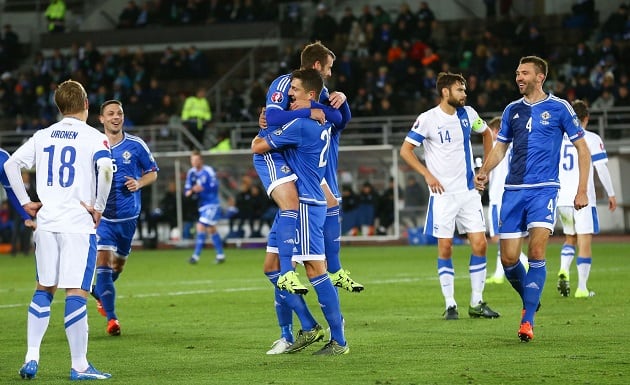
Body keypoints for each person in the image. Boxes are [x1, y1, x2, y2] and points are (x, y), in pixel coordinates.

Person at [474, 56, 590, 342]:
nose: (518, 77)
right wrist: (484, 171)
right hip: (513, 192)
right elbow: (501, 147)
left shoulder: (560, 108)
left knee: (537, 251)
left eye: (524, 73)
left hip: (544, 190)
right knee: (509, 258)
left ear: (540, 77)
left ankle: (527, 320)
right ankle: (531, 297)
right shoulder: (512, 110)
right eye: (516, 73)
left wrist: (582, 189)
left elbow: (583, 150)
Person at [255, 41, 361, 355]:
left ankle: (338, 340)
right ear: (317, 67)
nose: (289, 95)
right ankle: (307, 326)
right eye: (328, 67)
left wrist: (268, 130)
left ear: (307, 93)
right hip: (309, 194)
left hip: (306, 200)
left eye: (295, 93)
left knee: (315, 269)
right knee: (270, 266)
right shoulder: (309, 110)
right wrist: (321, 109)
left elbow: (261, 141)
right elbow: (337, 119)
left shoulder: (304, 123)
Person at [4, 79, 113, 380]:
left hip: (47, 223)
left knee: (44, 289)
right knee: (76, 292)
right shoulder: (93, 137)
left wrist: (26, 202)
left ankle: (31, 357)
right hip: (78, 225)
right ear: (87, 105)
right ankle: (79, 365)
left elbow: (11, 165)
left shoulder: (43, 135)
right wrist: (100, 207)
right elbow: (105, 170)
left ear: (59, 106)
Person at [400, 72, 499, 321]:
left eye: (464, 90)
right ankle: (450, 303)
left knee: (480, 244)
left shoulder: (469, 114)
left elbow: (487, 134)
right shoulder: (428, 119)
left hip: (468, 192)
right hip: (443, 195)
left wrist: (483, 170)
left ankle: (476, 301)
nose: (464, 94)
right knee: (445, 247)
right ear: (445, 92)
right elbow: (406, 150)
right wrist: (426, 175)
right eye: (460, 90)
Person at [91, 100, 159, 336]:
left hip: (128, 219)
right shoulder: (92, 146)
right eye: (110, 114)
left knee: (116, 269)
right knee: (103, 265)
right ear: (101, 119)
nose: (115, 117)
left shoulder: (136, 145)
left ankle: (99, 292)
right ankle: (112, 320)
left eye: (119, 113)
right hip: (104, 218)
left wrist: (139, 182)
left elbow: (153, 172)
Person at [556, 99, 616, 298]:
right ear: (586, 118)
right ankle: (582, 288)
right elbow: (601, 167)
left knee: (569, 238)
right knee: (584, 242)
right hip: (583, 197)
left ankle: (564, 268)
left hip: (561, 198)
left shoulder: (559, 137)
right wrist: (611, 193)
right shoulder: (590, 138)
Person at [485, 116, 528, 284]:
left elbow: (488, 171)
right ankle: (498, 274)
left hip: (498, 197)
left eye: (490, 132)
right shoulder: (515, 146)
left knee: (499, 237)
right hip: (514, 196)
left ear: (495, 131)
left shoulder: (496, 146)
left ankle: (525, 263)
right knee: (506, 237)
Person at [185, 150, 225, 264]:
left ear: (201, 160)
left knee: (200, 225)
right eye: (192, 160)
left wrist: (203, 187)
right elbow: (187, 189)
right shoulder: (191, 172)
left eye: (197, 160)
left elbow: (215, 186)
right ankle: (221, 255)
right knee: (211, 229)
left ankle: (195, 256)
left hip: (212, 204)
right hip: (202, 205)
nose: (194, 162)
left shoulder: (208, 171)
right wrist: (190, 191)